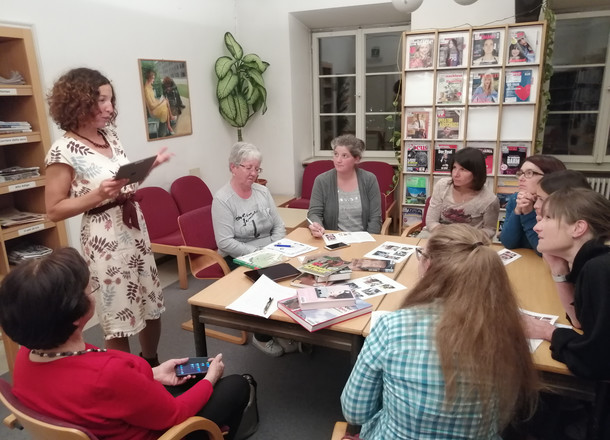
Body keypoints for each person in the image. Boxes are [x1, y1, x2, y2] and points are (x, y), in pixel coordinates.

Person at [0, 247, 250, 440]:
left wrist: (151, 374)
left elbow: (96, 391)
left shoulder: (25, 355)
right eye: (91, 290)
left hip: (105, 416)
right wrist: (211, 379)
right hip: (161, 433)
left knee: (189, 375)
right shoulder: (109, 374)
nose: (94, 294)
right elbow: (174, 414)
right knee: (235, 384)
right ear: (77, 317)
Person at [341, 224, 538, 439]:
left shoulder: (393, 328)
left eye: (421, 255)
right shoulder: (507, 331)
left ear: (429, 265)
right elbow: (503, 415)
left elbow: (355, 412)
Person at [45, 67, 172, 364]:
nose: (109, 108)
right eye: (101, 100)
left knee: (150, 300)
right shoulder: (62, 150)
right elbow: (53, 210)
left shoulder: (110, 136)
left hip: (133, 227)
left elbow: (121, 182)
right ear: (78, 101)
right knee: (118, 310)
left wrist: (149, 166)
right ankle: (128, 377)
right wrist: (97, 195)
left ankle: (151, 364)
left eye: (111, 101)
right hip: (103, 236)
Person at [211, 142, 292, 357]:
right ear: (233, 167)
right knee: (266, 281)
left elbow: (279, 226)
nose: (254, 173)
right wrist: (259, 256)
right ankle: (261, 336)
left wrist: (274, 249)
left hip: (269, 251)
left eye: (257, 169)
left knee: (295, 275)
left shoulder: (263, 192)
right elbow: (225, 243)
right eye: (249, 168)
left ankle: (282, 328)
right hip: (238, 256)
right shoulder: (222, 199)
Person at [523, 187, 610, 380]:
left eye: (548, 218)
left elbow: (594, 361)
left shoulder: (599, 269)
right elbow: (582, 322)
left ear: (578, 228)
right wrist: (558, 269)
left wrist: (548, 331)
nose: (537, 227)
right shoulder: (593, 261)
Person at [307, 134, 382, 238]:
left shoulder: (369, 179)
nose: (338, 160)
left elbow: (375, 218)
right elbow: (314, 213)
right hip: (334, 240)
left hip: (363, 240)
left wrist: (368, 241)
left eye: (344, 156)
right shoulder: (322, 181)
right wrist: (316, 225)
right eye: (336, 154)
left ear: (356, 159)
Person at [424, 147, 500, 238]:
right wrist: (445, 235)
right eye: (454, 168)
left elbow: (489, 230)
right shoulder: (442, 185)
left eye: (463, 169)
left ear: (476, 172)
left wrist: (465, 238)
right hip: (439, 236)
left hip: (469, 241)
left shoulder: (489, 200)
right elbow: (431, 221)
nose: (456, 174)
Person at [500, 155, 566, 250]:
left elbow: (543, 249)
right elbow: (508, 242)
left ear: (550, 177)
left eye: (529, 173)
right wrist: (518, 210)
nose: (521, 178)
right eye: (521, 173)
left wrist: (528, 213)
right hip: (524, 260)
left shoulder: (556, 204)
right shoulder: (516, 198)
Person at [143, 68, 177, 135]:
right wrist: (161, 102)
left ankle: (170, 122)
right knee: (165, 104)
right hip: (153, 111)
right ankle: (170, 123)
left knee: (165, 100)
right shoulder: (146, 89)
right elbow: (152, 106)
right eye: (152, 78)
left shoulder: (149, 87)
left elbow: (153, 100)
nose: (153, 80)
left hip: (155, 107)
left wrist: (159, 101)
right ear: (149, 78)